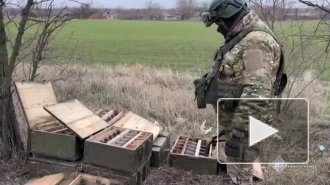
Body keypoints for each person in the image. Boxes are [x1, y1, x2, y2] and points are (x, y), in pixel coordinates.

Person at [193, 0, 287, 184]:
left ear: (230, 19)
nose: (218, 28)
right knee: (236, 168)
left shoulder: (256, 42)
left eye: (219, 23)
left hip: (244, 127)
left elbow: (256, 94)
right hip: (237, 121)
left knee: (241, 172)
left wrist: (239, 133)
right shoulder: (244, 36)